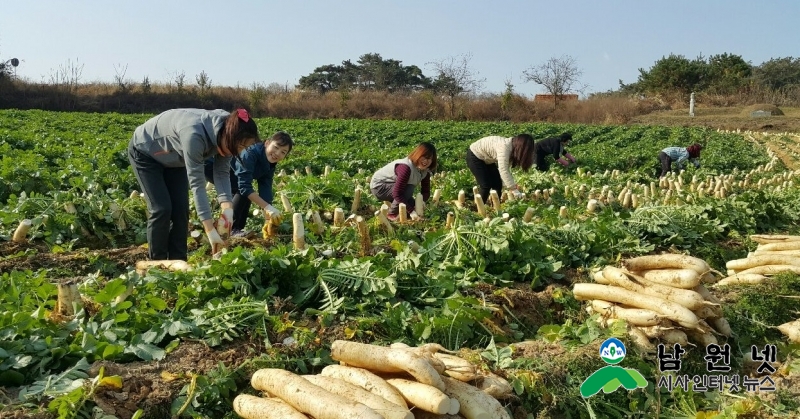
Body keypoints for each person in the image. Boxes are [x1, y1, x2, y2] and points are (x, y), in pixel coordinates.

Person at [127, 108, 260, 260]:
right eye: (240, 146)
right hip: (146, 152)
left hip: (174, 156)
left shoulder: (229, 130)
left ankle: (179, 260)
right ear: (228, 135)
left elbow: (222, 173)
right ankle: (158, 263)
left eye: (244, 147)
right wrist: (209, 229)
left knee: (181, 210)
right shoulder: (193, 135)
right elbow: (197, 184)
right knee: (162, 209)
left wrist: (227, 208)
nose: (239, 151)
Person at [204, 131, 294, 235]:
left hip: (231, 171)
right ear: (267, 143)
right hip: (213, 166)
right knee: (243, 190)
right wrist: (268, 208)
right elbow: (244, 187)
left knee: (247, 193)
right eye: (276, 147)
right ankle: (229, 228)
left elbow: (266, 189)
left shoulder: (270, 165)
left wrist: (268, 218)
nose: (277, 153)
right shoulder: (250, 153)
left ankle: (236, 228)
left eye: (283, 152)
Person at [370, 142, 437, 220]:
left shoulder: (425, 172)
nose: (426, 161)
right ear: (418, 154)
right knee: (409, 189)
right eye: (424, 157)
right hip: (379, 187)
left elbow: (426, 191)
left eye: (429, 159)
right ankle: (392, 214)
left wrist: (422, 202)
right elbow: (397, 193)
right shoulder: (405, 168)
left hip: (395, 187)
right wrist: (412, 211)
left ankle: (399, 209)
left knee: (411, 206)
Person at [465, 134, 534, 200]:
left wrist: (509, 185)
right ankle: (479, 209)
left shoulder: (512, 147)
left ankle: (495, 208)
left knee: (497, 184)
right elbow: (503, 170)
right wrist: (513, 189)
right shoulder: (504, 148)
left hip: (487, 159)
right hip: (475, 155)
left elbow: (505, 168)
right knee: (486, 185)